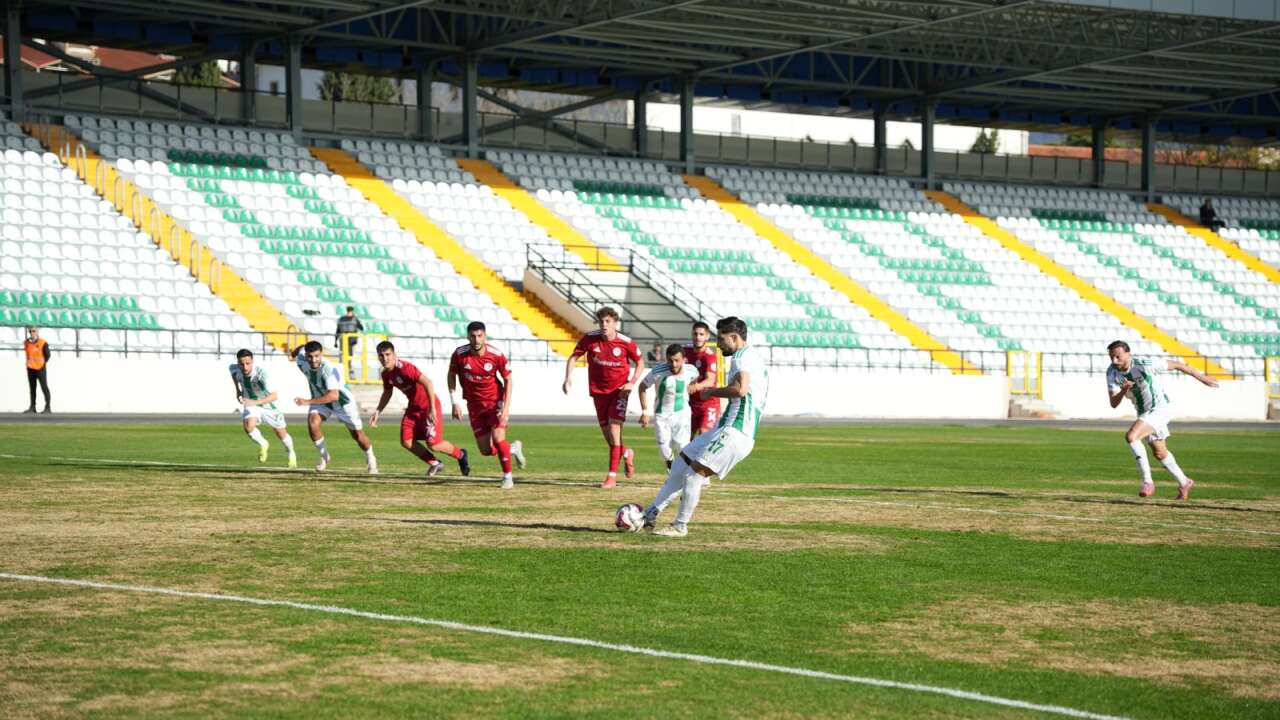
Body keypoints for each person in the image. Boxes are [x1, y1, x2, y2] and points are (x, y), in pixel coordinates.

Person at [642, 317, 768, 538]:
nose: (717, 345)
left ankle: (680, 525)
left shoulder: (741, 358)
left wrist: (711, 392)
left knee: (694, 475)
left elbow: (740, 389)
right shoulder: (753, 356)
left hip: (737, 431)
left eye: (721, 339)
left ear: (734, 337)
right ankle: (652, 511)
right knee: (682, 460)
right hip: (726, 427)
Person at [1106, 340, 1218, 500]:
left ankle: (1148, 482)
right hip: (1144, 412)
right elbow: (1113, 403)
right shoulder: (1111, 373)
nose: (1114, 361)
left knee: (1131, 436)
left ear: (1128, 354)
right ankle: (1184, 482)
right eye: (1111, 357)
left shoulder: (1143, 364)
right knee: (1159, 452)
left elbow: (1178, 365)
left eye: (1117, 357)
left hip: (1160, 408)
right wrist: (1124, 389)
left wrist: (1202, 378)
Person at [563, 306, 644, 488]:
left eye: (608, 321)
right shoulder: (590, 339)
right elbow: (573, 357)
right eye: (601, 321)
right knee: (609, 438)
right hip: (598, 393)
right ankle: (626, 453)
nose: (604, 325)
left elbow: (640, 362)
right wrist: (568, 377)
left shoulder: (626, 342)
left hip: (619, 393)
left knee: (615, 432)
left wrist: (632, 382)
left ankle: (611, 477)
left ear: (615, 323)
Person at [370, 341, 470, 479]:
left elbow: (428, 382)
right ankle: (435, 463)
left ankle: (461, 454)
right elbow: (387, 392)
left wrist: (432, 408)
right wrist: (378, 411)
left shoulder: (405, 368)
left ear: (394, 355)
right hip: (413, 408)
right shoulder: (386, 374)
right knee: (406, 441)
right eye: (381, 356)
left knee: (433, 444)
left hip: (428, 406)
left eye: (388, 354)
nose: (385, 358)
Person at [448, 321, 526, 489]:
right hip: (474, 406)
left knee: (498, 439)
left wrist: (505, 408)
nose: (476, 339)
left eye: (479, 336)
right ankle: (512, 449)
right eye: (473, 336)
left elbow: (508, 379)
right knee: (485, 450)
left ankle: (507, 477)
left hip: (494, 403)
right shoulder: (459, 354)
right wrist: (454, 401)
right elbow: (451, 374)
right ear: (468, 336)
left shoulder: (496, 355)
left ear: (485, 336)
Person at [293, 340, 377, 474]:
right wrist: (297, 350)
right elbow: (298, 351)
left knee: (357, 435)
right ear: (306, 355)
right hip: (322, 400)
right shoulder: (301, 359)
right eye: (310, 356)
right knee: (312, 423)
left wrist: (307, 402)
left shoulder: (329, 370)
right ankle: (325, 457)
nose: (314, 360)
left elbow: (334, 395)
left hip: (342, 402)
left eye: (317, 356)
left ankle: (370, 457)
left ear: (321, 354)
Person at [229, 349, 297, 468]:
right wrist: (238, 391)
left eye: (248, 363)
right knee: (248, 426)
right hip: (252, 404)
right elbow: (234, 376)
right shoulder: (233, 368)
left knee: (281, 434)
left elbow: (274, 396)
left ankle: (291, 452)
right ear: (238, 362)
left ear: (252, 361)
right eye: (241, 364)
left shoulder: (261, 374)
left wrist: (255, 401)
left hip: (268, 406)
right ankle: (263, 443)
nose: (244, 367)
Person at [638, 343, 700, 470]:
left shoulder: (691, 370)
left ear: (684, 359)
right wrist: (644, 411)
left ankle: (689, 474)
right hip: (662, 414)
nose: (674, 364)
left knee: (682, 446)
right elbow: (642, 387)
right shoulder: (657, 372)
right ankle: (671, 465)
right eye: (670, 361)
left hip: (682, 413)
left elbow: (695, 379)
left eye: (677, 360)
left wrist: (693, 386)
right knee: (663, 447)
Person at [683, 321, 721, 438]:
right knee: (686, 438)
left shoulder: (709, 356)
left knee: (704, 435)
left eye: (701, 334)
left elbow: (710, 380)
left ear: (707, 336)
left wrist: (695, 387)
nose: (698, 337)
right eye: (695, 334)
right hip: (690, 404)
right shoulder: (685, 351)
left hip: (708, 403)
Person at [23, 326, 51, 414]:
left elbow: (48, 355)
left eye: (34, 331)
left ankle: (47, 407)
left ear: (37, 331)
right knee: (32, 388)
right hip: (30, 368)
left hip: (40, 368)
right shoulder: (26, 343)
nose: (33, 333)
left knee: (44, 387)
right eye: (31, 331)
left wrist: (42, 363)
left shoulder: (43, 343)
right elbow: (27, 353)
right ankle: (32, 407)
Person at [334, 306, 364, 377]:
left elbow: (337, 330)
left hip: (342, 340)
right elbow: (361, 328)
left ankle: (342, 372)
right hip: (351, 340)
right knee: (349, 356)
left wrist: (335, 341)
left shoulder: (341, 319)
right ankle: (349, 371)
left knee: (342, 355)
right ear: (352, 310)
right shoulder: (354, 319)